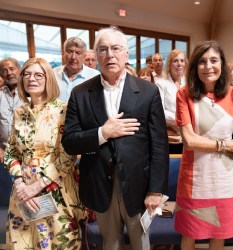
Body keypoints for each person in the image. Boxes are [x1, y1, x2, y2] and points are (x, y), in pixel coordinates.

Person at [62, 26, 169, 250]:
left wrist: (155, 190)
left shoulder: (148, 91)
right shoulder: (80, 93)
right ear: (96, 55)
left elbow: (159, 144)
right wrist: (103, 133)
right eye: (103, 49)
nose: (110, 54)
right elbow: (70, 142)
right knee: (110, 244)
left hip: (139, 185)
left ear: (126, 54)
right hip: (99, 184)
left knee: (141, 243)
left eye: (116, 48)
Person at [174, 41, 233, 250]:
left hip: (223, 177)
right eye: (202, 62)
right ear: (195, 67)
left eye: (214, 60)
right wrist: (226, 146)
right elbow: (190, 141)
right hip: (195, 178)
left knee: (219, 234)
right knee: (190, 234)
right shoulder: (184, 94)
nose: (208, 67)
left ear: (222, 64)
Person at [4, 57, 85, 249]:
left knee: (58, 243)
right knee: (25, 243)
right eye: (27, 74)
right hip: (23, 193)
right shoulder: (19, 112)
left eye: (38, 74)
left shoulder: (63, 110)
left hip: (55, 190)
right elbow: (11, 151)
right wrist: (21, 185)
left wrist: (38, 185)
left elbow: (68, 155)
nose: (32, 78)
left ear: (48, 78)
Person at [156, 49, 187, 154]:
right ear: (169, 64)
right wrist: (181, 119)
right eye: (175, 61)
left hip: (189, 135)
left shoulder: (189, 84)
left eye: (182, 61)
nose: (179, 64)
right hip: (170, 138)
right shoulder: (161, 84)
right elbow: (159, 110)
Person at [53, 37, 100, 101]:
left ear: (84, 56)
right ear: (64, 54)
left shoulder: (95, 76)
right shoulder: (53, 73)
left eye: (78, 53)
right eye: (70, 52)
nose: (73, 57)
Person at [0, 58, 23, 165]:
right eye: (4, 70)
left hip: (29, 154)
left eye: (12, 69)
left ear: (20, 70)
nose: (9, 73)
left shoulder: (31, 93)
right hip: (4, 154)